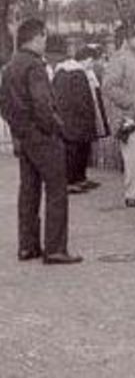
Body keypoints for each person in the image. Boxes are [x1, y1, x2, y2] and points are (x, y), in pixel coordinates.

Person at [0, 19, 82, 264]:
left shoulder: (11, 66)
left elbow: (3, 103)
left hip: (24, 136)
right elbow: (43, 104)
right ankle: (55, 248)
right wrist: (56, 127)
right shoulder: (35, 66)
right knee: (57, 189)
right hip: (43, 136)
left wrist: (18, 128)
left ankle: (27, 245)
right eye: (44, 37)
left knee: (29, 190)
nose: (45, 42)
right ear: (36, 37)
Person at [104, 26, 135, 208]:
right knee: (132, 156)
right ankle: (131, 194)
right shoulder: (120, 58)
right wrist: (131, 103)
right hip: (127, 116)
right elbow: (109, 86)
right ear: (132, 40)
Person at [53, 46, 108, 194]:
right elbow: (81, 100)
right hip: (75, 120)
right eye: (91, 61)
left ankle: (79, 178)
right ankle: (71, 181)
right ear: (87, 59)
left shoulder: (66, 72)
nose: (92, 65)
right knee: (74, 151)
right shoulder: (75, 72)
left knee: (81, 149)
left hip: (73, 120)